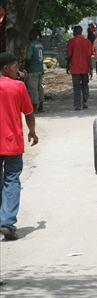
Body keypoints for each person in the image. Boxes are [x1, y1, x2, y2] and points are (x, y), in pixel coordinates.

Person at [0, 52, 38, 240]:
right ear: (5, 68)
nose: (18, 70)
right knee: (12, 180)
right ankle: (7, 222)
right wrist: (32, 131)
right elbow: (29, 114)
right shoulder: (18, 87)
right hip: (12, 142)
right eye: (15, 66)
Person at [66, 25, 93, 110]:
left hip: (75, 67)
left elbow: (69, 56)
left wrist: (68, 65)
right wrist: (91, 68)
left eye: (74, 31)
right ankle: (84, 101)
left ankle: (78, 104)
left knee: (76, 86)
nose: (73, 33)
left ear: (77, 31)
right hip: (85, 68)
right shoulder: (87, 42)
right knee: (85, 85)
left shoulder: (71, 42)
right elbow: (89, 56)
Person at [25, 28, 45, 113]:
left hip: (32, 69)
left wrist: (26, 66)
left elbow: (29, 58)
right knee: (39, 87)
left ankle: (34, 107)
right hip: (40, 68)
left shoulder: (31, 45)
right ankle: (41, 106)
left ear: (32, 35)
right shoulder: (40, 45)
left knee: (33, 89)